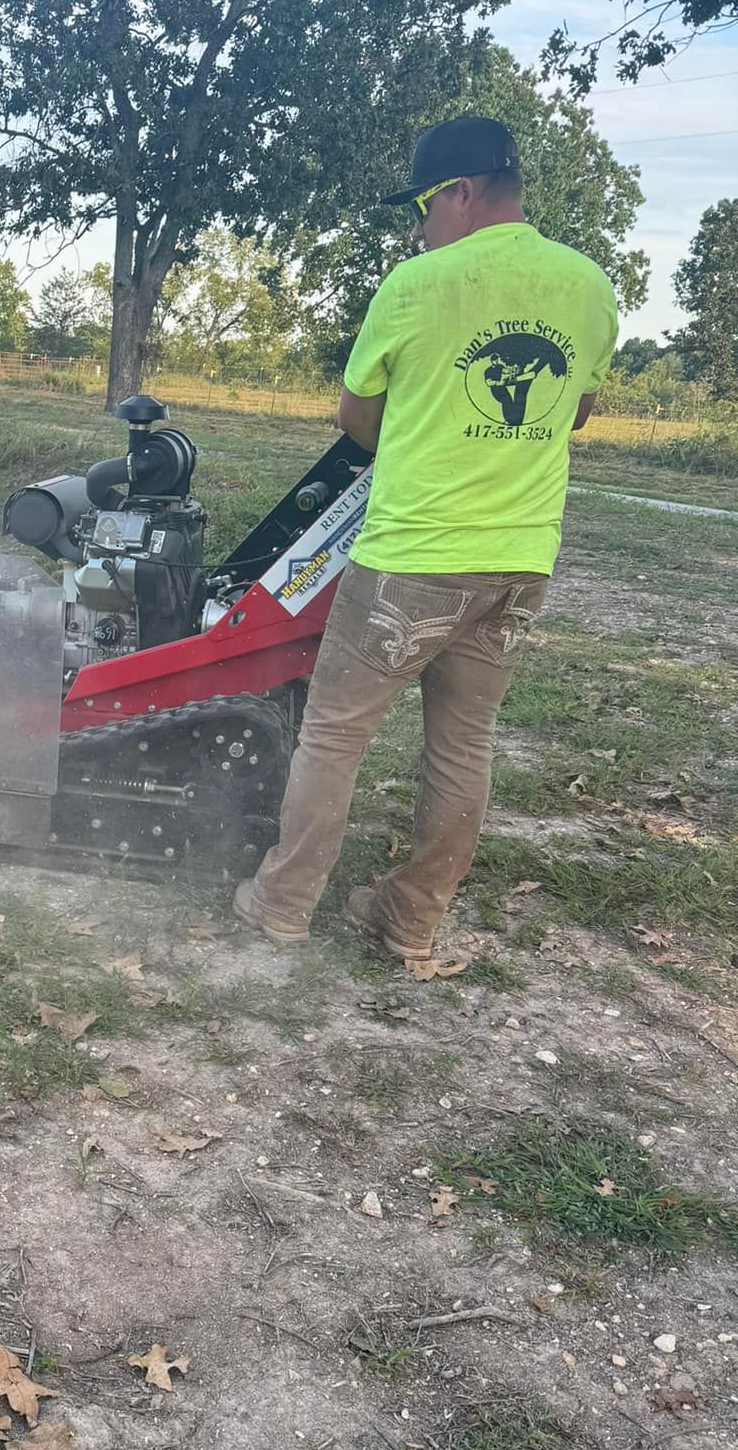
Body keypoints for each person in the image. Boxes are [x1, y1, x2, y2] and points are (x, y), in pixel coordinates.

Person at [234, 114, 618, 960]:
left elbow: (357, 421)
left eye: (422, 204)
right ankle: (410, 922)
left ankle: (282, 905)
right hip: (520, 559)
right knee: (462, 743)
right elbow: (576, 412)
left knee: (333, 735)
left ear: (462, 192)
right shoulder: (590, 286)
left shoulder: (417, 283)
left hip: (412, 557)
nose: (417, 225)